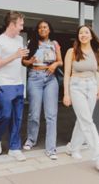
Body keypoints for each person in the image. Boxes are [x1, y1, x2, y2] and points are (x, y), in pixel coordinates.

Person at [63, 25, 99, 171]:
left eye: (86, 32)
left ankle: (73, 148)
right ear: (78, 36)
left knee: (83, 119)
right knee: (87, 121)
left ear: (91, 35)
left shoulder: (96, 52)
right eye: (80, 32)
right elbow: (67, 75)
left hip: (92, 86)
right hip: (76, 86)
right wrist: (66, 94)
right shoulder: (72, 51)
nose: (83, 35)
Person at [0, 11, 29, 161]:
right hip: (4, 84)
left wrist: (26, 58)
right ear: (12, 24)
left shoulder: (19, 39)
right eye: (20, 24)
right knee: (5, 115)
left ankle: (14, 148)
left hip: (18, 83)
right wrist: (15, 55)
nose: (22, 27)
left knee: (17, 118)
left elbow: (19, 60)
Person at [22, 20, 63, 160]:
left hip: (50, 78)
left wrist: (54, 65)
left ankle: (51, 149)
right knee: (34, 113)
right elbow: (23, 61)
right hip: (34, 77)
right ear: (37, 30)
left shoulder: (54, 44)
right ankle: (31, 140)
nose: (42, 29)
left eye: (45, 27)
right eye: (40, 28)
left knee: (51, 115)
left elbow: (60, 61)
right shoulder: (31, 43)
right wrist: (30, 61)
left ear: (49, 29)